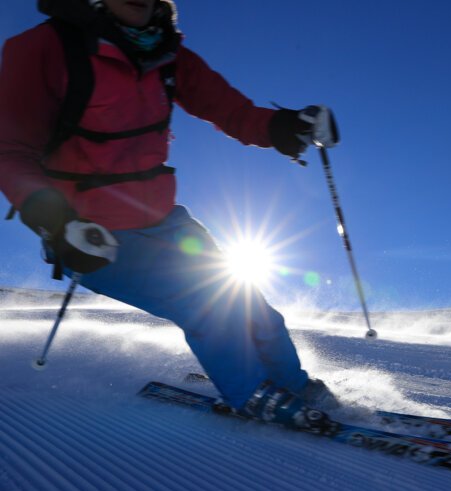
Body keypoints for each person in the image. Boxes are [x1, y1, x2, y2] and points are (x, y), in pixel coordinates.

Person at [0, 0, 341, 426]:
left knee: (250, 304)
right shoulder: (43, 47)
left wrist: (288, 126)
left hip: (165, 220)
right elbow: (11, 151)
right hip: (90, 234)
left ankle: (294, 386)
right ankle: (252, 395)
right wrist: (56, 221)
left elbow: (232, 112)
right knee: (203, 303)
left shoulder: (168, 53)